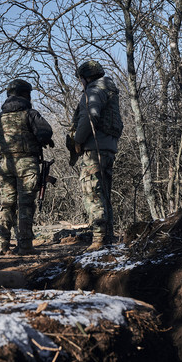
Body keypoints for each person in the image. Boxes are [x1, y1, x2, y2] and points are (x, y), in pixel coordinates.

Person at [0, 79, 53, 255]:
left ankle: (2, 245)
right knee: (25, 205)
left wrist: (1, 149)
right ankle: (24, 245)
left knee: (6, 205)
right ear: (26, 94)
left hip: (6, 164)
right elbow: (45, 132)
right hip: (26, 164)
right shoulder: (30, 113)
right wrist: (41, 141)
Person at [68, 60, 122, 251]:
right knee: (104, 193)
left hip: (94, 149)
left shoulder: (93, 91)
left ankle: (98, 239)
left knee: (93, 193)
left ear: (86, 77)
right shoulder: (109, 90)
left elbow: (90, 116)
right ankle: (107, 237)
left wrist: (77, 140)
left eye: (81, 79)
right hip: (108, 148)